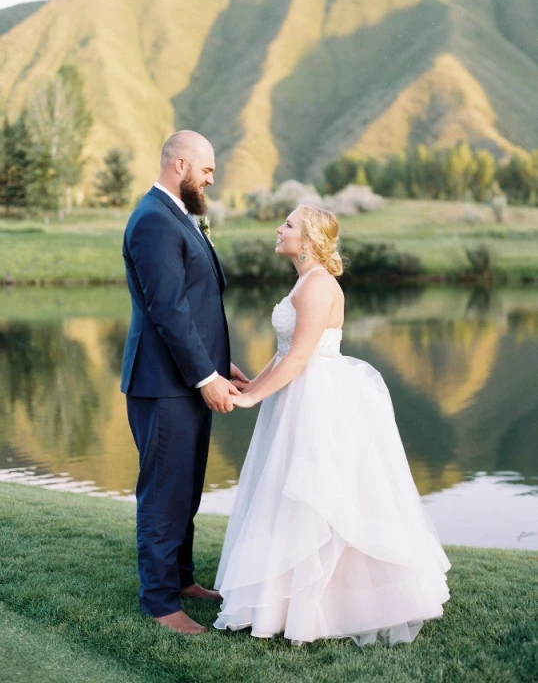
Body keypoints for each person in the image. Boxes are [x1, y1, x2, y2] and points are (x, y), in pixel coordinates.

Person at [214, 204, 450, 646]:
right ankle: (279, 601)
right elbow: (285, 352)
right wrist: (252, 382)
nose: (278, 229)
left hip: (317, 400)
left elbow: (302, 356)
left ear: (308, 239)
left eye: (287, 224)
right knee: (284, 493)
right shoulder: (304, 281)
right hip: (294, 396)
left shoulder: (319, 285)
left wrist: (251, 399)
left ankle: (325, 604)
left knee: (317, 497)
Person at [121, 130, 249, 635]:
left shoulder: (179, 216)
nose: (211, 180)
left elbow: (196, 305)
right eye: (207, 170)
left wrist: (221, 366)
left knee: (188, 488)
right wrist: (204, 376)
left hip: (191, 381)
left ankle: (182, 580)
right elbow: (168, 311)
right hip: (166, 384)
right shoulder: (154, 220)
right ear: (179, 164)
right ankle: (159, 602)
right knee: (163, 493)